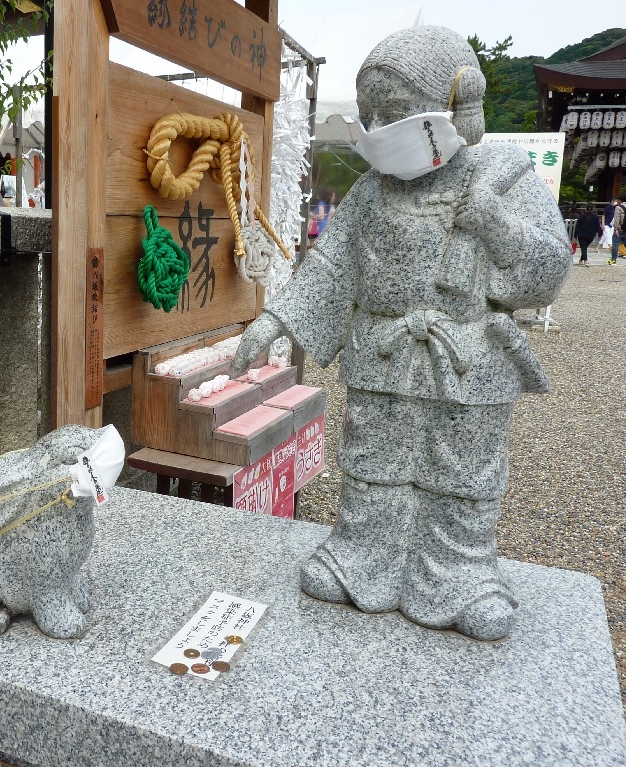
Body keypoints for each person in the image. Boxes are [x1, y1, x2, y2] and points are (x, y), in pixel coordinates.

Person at [234, 26, 570, 641]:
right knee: (372, 461)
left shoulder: (502, 175)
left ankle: (462, 575)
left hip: (468, 355)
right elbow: (331, 266)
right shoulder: (370, 191)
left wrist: (497, 224)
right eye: (371, 116)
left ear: (455, 103)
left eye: (393, 112)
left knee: (461, 471)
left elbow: (548, 271)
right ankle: (362, 556)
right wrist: (275, 322)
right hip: (383, 352)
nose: (379, 128)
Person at [609, 196, 626, 266]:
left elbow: (617, 219)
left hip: (620, 229)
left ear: (620, 200)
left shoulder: (619, 208)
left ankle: (613, 260)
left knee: (615, 244)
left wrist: (616, 228)